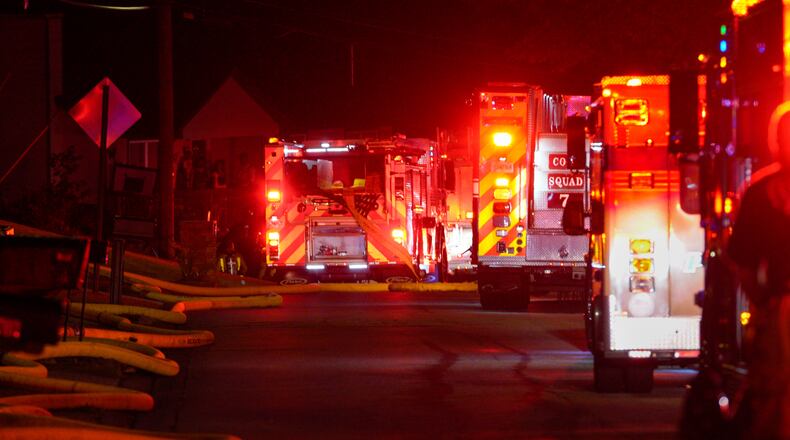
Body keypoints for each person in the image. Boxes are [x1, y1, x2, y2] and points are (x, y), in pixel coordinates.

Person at [727, 101, 790, 440]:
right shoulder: (758, 194)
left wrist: (764, 305)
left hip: (781, 311)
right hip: (780, 310)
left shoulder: (759, 194)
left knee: (773, 399)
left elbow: (741, 263)